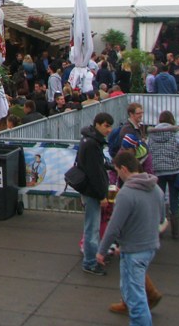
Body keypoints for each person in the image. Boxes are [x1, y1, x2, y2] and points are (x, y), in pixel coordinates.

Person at [97, 151, 166, 326]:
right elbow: (161, 218)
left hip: (134, 250)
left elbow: (114, 227)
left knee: (137, 298)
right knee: (129, 286)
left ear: (124, 169)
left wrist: (101, 251)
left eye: (117, 170)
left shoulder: (126, 194)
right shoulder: (156, 188)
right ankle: (128, 304)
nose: (117, 174)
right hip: (149, 246)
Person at [146, 110, 179, 240]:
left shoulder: (151, 135)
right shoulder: (175, 133)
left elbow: (147, 150)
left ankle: (159, 230)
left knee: (159, 200)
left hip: (158, 171)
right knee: (174, 200)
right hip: (175, 170)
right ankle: (175, 233)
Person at [78, 112, 114, 276]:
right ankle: (90, 262)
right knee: (92, 228)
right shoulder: (93, 144)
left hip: (89, 190)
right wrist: (102, 195)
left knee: (91, 226)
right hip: (93, 191)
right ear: (98, 124)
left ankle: (91, 259)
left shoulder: (88, 140)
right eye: (106, 126)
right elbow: (95, 172)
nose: (109, 129)